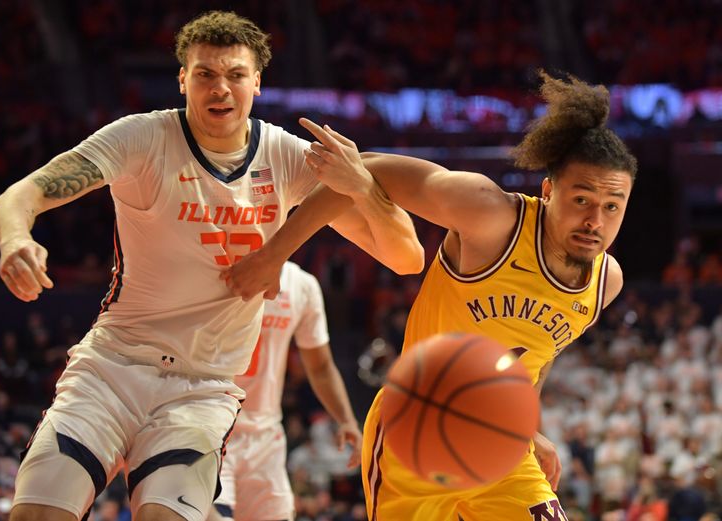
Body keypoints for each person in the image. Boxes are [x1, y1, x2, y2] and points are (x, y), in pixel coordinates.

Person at [0, 10, 421, 521]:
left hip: (202, 390)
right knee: (37, 515)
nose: (221, 89)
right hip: (112, 369)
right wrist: (16, 239)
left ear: (256, 82)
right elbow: (24, 192)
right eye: (205, 75)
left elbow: (405, 256)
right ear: (183, 79)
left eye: (236, 75)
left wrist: (362, 188)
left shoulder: (286, 156)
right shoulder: (141, 138)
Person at [226, 71, 638, 520]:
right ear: (548, 189)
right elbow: (364, 171)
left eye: (612, 206)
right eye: (582, 200)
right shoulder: (491, 216)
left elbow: (538, 349)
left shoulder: (605, 282)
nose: (596, 220)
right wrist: (275, 255)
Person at [208, 261, 361, 521]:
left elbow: (321, 366)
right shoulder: (218, 268)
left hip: (266, 435)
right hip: (213, 428)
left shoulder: (301, 284)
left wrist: (346, 419)